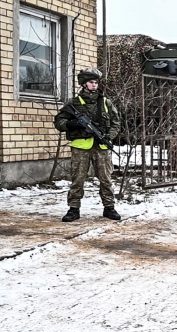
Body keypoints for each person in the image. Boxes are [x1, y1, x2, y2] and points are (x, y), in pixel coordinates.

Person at [54, 68, 122, 222]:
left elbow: (116, 123)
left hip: (101, 147)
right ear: (84, 84)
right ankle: (73, 209)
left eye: (96, 82)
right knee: (77, 179)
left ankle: (109, 208)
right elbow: (59, 121)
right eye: (91, 82)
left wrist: (108, 136)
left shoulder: (105, 102)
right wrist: (73, 124)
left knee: (106, 179)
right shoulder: (74, 103)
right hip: (81, 147)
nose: (94, 85)